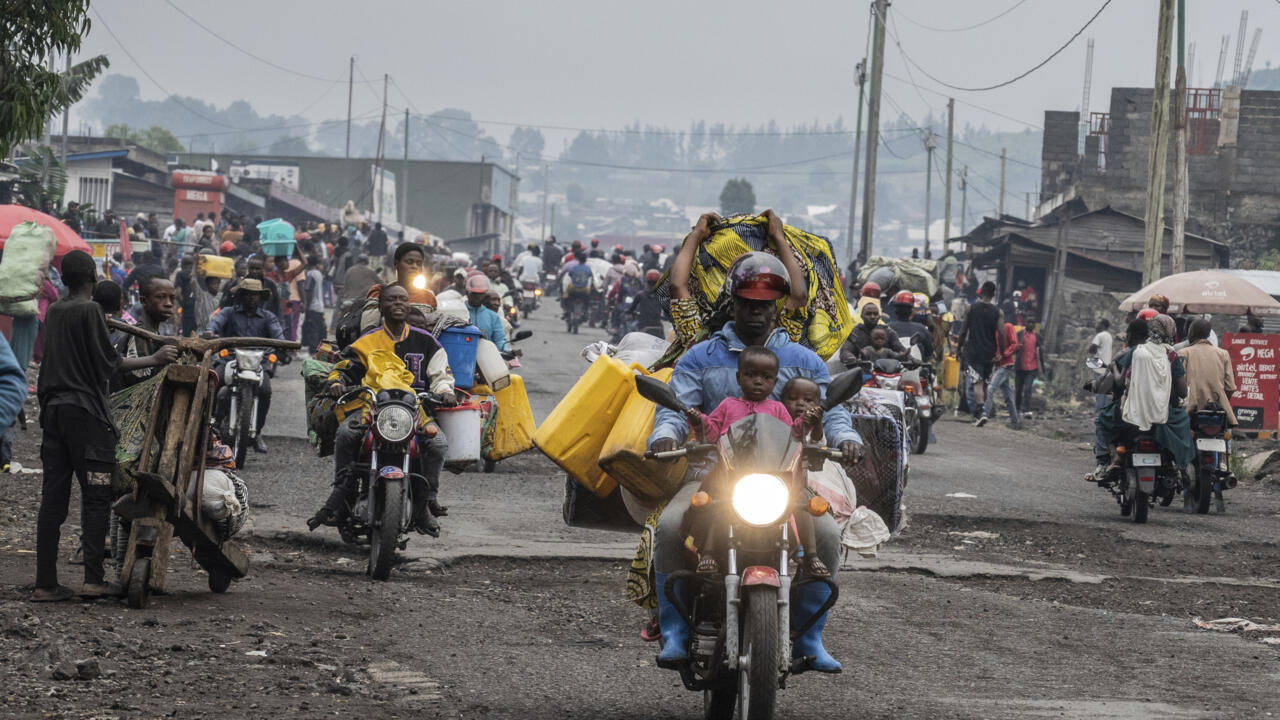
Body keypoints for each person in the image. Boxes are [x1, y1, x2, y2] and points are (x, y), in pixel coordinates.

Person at [647, 251, 862, 673]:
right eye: (748, 302)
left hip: (785, 482)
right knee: (671, 527)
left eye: (765, 304)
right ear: (733, 301)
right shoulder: (701, 356)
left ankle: (810, 636)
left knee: (828, 536)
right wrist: (666, 435)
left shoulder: (803, 359)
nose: (756, 311)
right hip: (712, 476)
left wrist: (847, 438)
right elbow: (675, 408)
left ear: (777, 306)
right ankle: (675, 631)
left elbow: (832, 410)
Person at [33, 251, 177, 602]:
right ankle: (93, 580)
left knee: (53, 502)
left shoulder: (55, 310)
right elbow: (109, 363)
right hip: (87, 416)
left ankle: (45, 584)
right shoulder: (92, 311)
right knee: (96, 497)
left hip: (53, 412)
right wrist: (156, 358)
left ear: (63, 279)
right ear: (94, 278)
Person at [309, 285, 455, 534]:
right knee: (346, 434)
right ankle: (341, 497)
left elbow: (441, 375)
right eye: (391, 299)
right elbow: (345, 367)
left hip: (414, 410)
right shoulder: (366, 341)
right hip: (371, 407)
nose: (398, 303)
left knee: (438, 443)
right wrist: (337, 382)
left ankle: (426, 502)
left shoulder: (428, 342)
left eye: (402, 299)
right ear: (381, 306)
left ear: (409, 305)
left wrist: (445, 391)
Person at [683, 348, 827, 578]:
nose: (758, 381)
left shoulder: (778, 409)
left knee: (800, 504)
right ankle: (708, 550)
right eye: (751, 375)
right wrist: (698, 419)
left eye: (766, 377)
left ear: (775, 381)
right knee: (716, 504)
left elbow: (791, 437)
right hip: (731, 477)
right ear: (739, 378)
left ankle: (809, 554)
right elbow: (711, 433)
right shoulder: (728, 405)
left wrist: (807, 421)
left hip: (772, 477)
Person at [205, 278, 285, 453]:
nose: (251, 298)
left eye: (255, 295)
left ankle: (256, 433)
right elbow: (215, 324)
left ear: (260, 297)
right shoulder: (228, 312)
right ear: (241, 296)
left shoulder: (268, 317)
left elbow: (278, 335)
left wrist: (283, 346)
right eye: (248, 294)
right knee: (213, 382)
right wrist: (210, 332)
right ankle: (210, 424)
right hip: (230, 360)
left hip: (258, 364)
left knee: (265, 391)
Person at [113, 276, 177, 391]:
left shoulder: (152, 333)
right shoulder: (141, 336)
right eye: (161, 297)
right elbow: (139, 381)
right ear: (143, 301)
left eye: (172, 298)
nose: (168, 303)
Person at [955, 281, 1003, 421]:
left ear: (981, 291)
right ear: (993, 294)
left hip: (974, 352)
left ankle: (980, 410)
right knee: (985, 383)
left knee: (977, 383)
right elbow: (1001, 333)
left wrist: (959, 349)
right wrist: (1001, 352)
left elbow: (963, 331)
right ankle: (982, 412)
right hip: (990, 353)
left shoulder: (971, 308)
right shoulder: (998, 312)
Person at [978, 321, 1021, 429]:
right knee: (1008, 395)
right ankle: (1015, 422)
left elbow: (1015, 344)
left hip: (1006, 365)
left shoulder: (1008, 327)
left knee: (991, 388)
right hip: (998, 365)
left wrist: (1003, 354)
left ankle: (984, 415)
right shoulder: (993, 331)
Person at [1086, 318, 1115, 474]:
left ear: (1102, 325)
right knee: (1103, 397)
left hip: (1099, 369)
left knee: (1099, 397)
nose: (1095, 325)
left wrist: (1091, 352)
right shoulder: (1109, 335)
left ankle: (1100, 418)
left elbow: (1092, 348)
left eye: (1098, 323)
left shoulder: (1100, 334)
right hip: (1105, 369)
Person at [839, 301, 904, 366]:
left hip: (888, 372)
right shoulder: (855, 332)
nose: (872, 317)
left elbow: (900, 348)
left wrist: (910, 358)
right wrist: (850, 358)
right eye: (868, 314)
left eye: (875, 314)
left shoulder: (888, 332)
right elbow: (845, 350)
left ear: (879, 316)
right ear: (862, 316)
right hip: (861, 371)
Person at [465, 274, 510, 351]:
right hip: (461, 354)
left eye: (480, 294)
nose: (477, 297)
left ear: (485, 295)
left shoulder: (493, 316)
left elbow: (500, 339)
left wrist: (506, 350)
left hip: (486, 356)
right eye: (474, 294)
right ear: (467, 294)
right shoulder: (459, 311)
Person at [886, 290, 934, 361]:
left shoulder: (886, 328)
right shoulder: (921, 329)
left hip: (891, 368)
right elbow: (929, 352)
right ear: (911, 310)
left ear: (895, 310)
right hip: (915, 367)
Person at [1015, 321, 1044, 415]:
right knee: (1018, 389)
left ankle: (1026, 408)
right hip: (1020, 367)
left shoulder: (1038, 336)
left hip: (1032, 367)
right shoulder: (1019, 334)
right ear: (1025, 324)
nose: (1030, 324)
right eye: (1029, 322)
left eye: (1032, 323)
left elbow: (1040, 352)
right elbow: (1013, 347)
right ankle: (1016, 407)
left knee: (1027, 389)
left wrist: (1041, 368)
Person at [628, 269, 666, 339]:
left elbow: (631, 310)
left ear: (646, 281)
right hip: (657, 326)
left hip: (643, 326)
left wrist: (629, 313)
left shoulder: (640, 295)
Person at [301, 255, 326, 353]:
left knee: (313, 329)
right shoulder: (318, 273)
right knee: (318, 327)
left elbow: (309, 291)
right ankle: (318, 348)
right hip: (320, 306)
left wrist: (307, 305)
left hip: (313, 306)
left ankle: (313, 349)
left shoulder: (311, 274)